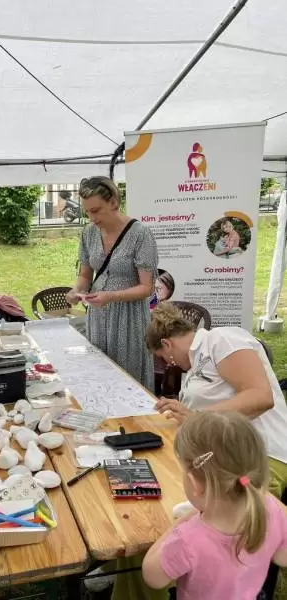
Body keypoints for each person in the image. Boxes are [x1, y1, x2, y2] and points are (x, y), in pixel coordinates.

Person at [145, 302, 287, 499]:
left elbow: (261, 396)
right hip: (228, 457)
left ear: (167, 344)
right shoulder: (194, 365)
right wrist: (182, 412)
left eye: (164, 358)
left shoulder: (221, 340)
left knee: (227, 509)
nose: (169, 364)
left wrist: (198, 417)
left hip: (260, 457)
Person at [142, 412, 287, 599]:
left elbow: (152, 576)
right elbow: (282, 558)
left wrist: (181, 522)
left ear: (194, 483)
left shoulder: (188, 539)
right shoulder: (270, 509)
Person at [66, 176, 158, 390]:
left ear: (113, 202)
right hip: (98, 316)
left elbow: (147, 288)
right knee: (98, 374)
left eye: (96, 210)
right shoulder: (89, 233)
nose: (92, 218)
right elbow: (86, 275)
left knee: (129, 378)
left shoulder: (140, 234)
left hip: (129, 319)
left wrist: (111, 296)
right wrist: (76, 290)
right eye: (87, 212)